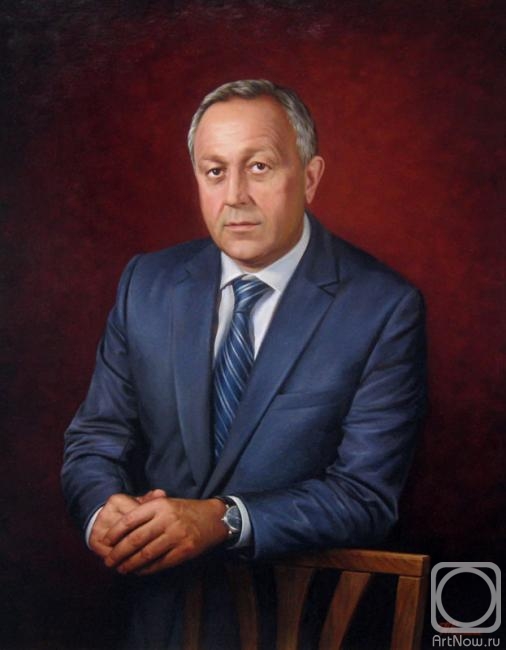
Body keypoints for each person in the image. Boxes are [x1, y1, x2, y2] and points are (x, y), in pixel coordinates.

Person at [62, 79, 427, 648]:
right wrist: (105, 513)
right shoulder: (146, 284)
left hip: (298, 626)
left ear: (310, 178)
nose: (235, 195)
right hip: (157, 620)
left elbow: (365, 495)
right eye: (215, 171)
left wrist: (223, 519)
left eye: (259, 167)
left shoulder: (383, 307)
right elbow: (94, 440)